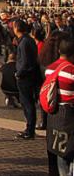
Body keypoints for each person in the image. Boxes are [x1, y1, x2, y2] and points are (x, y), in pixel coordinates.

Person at [43, 32, 74, 175]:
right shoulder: (71, 70)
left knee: (60, 152)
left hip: (54, 114)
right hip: (69, 114)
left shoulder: (50, 68)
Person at [14, 19, 40, 139]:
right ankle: (29, 128)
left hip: (25, 76)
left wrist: (18, 73)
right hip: (29, 75)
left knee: (27, 103)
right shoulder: (28, 39)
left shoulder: (24, 42)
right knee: (27, 103)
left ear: (16, 28)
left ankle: (30, 130)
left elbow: (25, 61)